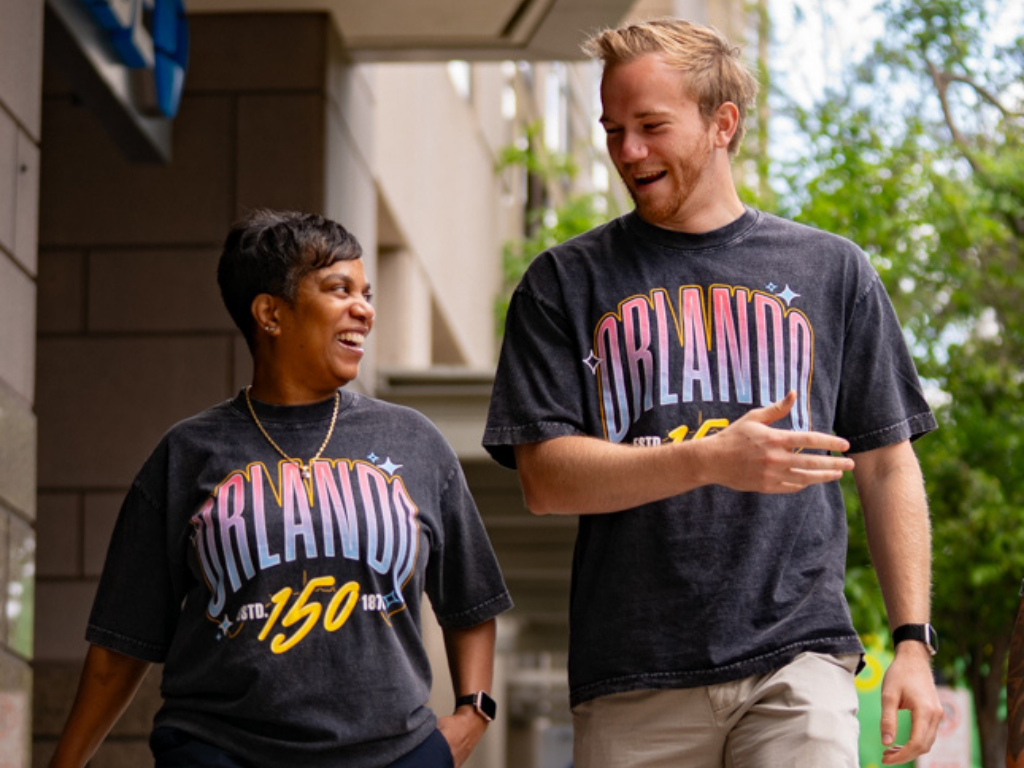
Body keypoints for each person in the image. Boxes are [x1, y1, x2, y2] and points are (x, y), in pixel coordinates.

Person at [483, 17, 942, 768]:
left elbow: (888, 463)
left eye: (651, 126)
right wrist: (707, 460)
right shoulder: (563, 283)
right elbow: (545, 478)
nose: (627, 151)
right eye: (612, 128)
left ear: (721, 123)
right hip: (633, 674)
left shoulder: (833, 270)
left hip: (798, 658)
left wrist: (913, 644)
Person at [49, 210, 512, 768]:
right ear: (270, 313)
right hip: (222, 751)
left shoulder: (413, 441)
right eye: (339, 290)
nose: (364, 309)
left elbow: (472, 599)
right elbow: (122, 642)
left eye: (366, 292)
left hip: (392, 755)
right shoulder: (188, 454)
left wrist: (470, 717)